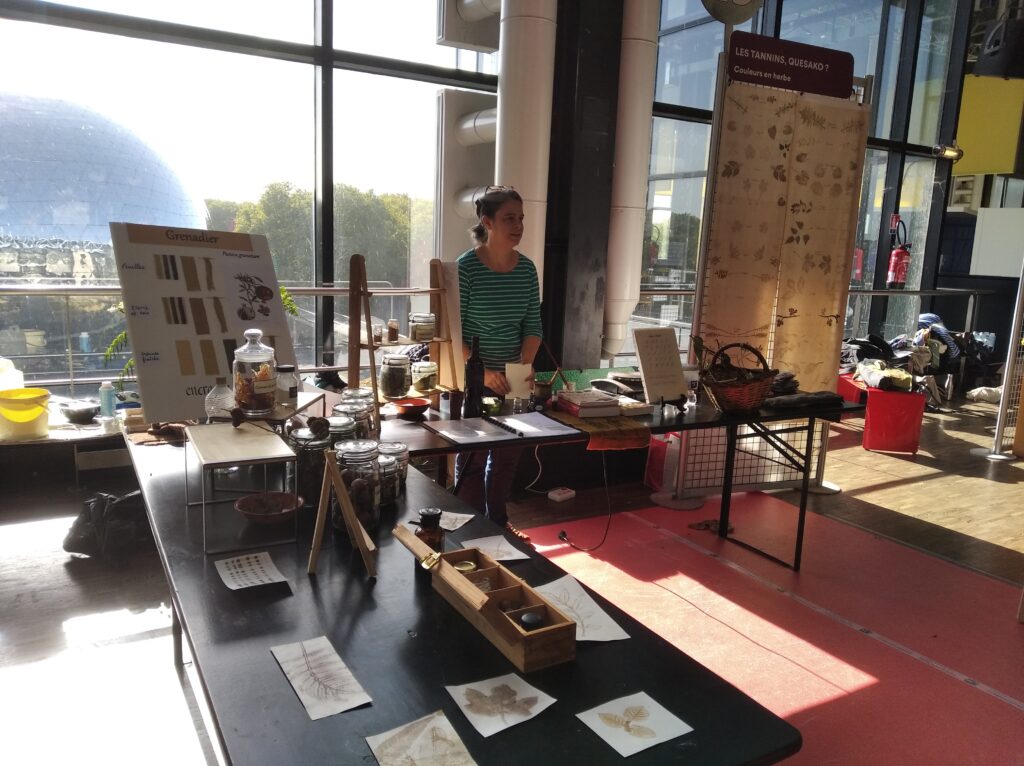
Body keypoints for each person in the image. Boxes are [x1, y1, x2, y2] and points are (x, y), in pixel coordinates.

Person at [454, 186, 542, 538]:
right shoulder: (466, 268)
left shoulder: (527, 270)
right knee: (473, 456)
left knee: (507, 456)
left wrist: (524, 366)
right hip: (474, 379)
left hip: (513, 380)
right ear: (486, 221)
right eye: (509, 218)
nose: (518, 225)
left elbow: (532, 326)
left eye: (521, 218)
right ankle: (469, 529)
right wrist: (486, 373)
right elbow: (453, 331)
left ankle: (499, 524)